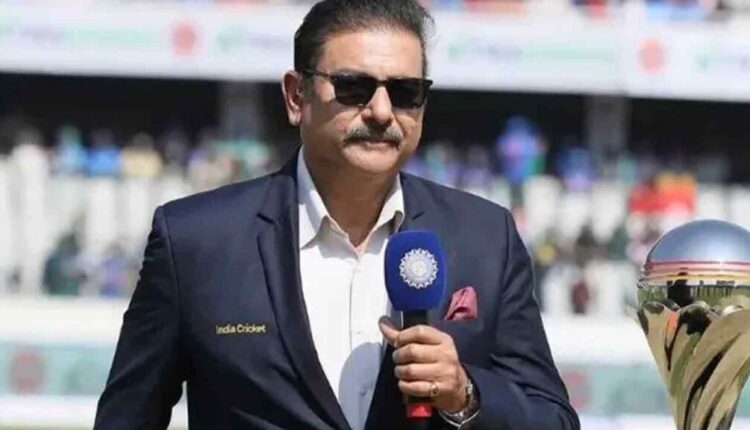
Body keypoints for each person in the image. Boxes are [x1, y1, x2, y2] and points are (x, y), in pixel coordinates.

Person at [94, 1, 579, 429]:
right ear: (296, 96)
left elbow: (553, 419)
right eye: (353, 87)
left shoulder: (486, 238)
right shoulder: (194, 241)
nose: (382, 111)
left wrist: (465, 395)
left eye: (405, 91)